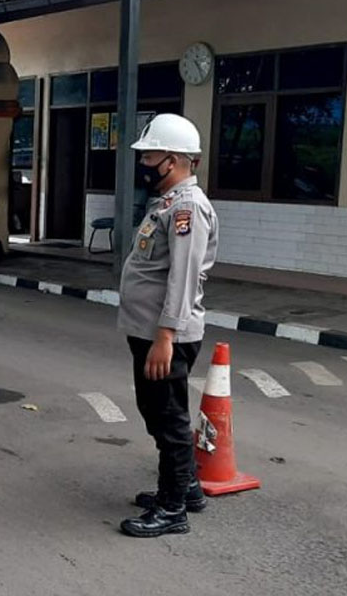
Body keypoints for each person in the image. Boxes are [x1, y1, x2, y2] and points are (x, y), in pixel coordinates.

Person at [117, 113, 218, 538]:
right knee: (157, 412)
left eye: (150, 155)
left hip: (165, 335)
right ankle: (186, 488)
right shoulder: (167, 202)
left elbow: (183, 276)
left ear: (172, 160)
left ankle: (172, 508)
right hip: (151, 330)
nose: (144, 162)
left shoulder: (187, 208)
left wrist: (165, 337)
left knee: (169, 417)